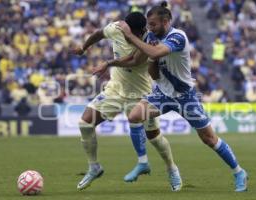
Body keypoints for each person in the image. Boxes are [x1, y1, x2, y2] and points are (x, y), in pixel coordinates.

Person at [117, 2, 248, 192]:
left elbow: (154, 51)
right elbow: (153, 72)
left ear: (166, 22)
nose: (149, 28)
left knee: (209, 139)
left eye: (153, 24)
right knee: (134, 115)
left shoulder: (178, 37)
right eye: (148, 24)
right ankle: (144, 163)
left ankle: (239, 172)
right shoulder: (152, 36)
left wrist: (132, 37)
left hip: (185, 97)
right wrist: (147, 60)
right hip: (162, 95)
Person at [70, 12, 182, 191]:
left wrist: (108, 64)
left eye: (139, 33)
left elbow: (135, 61)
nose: (136, 37)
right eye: (133, 33)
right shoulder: (115, 28)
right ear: (126, 28)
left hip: (142, 94)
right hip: (116, 90)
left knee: (153, 136)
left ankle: (172, 169)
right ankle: (94, 167)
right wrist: (84, 47)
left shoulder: (150, 38)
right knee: (85, 123)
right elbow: (98, 34)